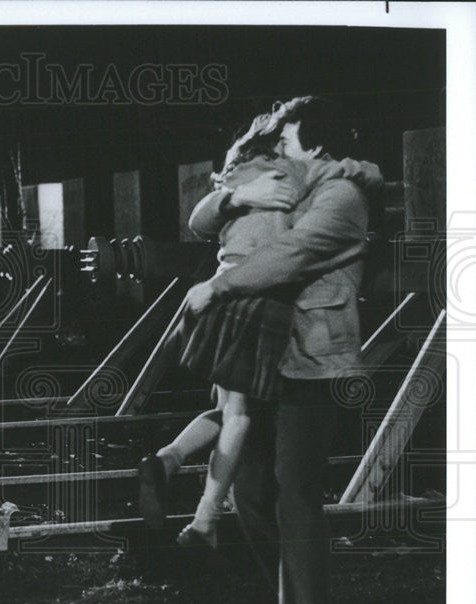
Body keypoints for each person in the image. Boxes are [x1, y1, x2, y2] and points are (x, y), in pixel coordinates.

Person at [180, 96, 379, 604]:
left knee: (294, 498)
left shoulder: (343, 197)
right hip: (265, 355)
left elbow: (290, 254)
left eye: (286, 144)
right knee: (252, 498)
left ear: (316, 148)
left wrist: (218, 287)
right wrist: (237, 195)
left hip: (315, 364)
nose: (277, 154)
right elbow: (203, 221)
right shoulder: (284, 185)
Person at [139, 109, 382, 552]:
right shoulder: (284, 176)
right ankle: (202, 515)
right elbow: (292, 247)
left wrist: (232, 196)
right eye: (284, 145)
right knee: (240, 415)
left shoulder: (237, 175)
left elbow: (198, 222)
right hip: (252, 299)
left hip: (218, 292)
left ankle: (171, 465)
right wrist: (361, 171)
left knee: (226, 405)